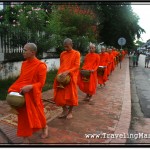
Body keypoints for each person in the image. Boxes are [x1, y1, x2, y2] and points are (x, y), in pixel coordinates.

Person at [8, 43, 48, 143]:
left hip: (33, 94)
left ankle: (45, 127)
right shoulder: (24, 64)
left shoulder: (41, 66)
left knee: (39, 113)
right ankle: (25, 138)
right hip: (23, 93)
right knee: (23, 116)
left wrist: (31, 87)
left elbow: (41, 83)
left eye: (25, 50)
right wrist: (14, 88)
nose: (23, 52)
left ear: (33, 52)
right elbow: (22, 79)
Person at [53, 38, 80, 119]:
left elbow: (77, 66)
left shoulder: (76, 53)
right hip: (61, 76)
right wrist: (60, 74)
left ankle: (70, 112)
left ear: (71, 45)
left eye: (67, 47)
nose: (66, 49)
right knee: (59, 96)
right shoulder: (62, 54)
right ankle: (64, 110)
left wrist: (68, 72)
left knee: (71, 96)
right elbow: (62, 65)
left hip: (71, 77)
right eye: (64, 47)